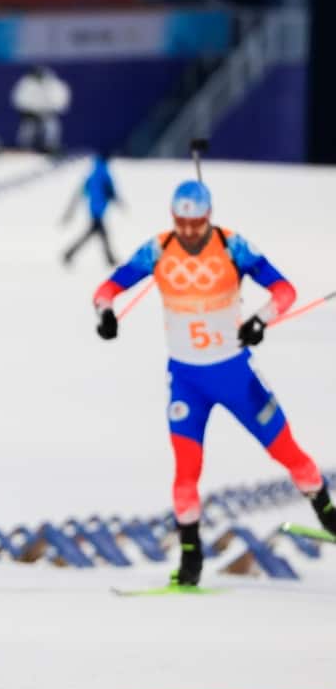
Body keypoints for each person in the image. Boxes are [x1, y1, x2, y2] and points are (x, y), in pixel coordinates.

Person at [92, 180, 336, 587]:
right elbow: (108, 288)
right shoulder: (159, 249)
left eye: (196, 222)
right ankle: (191, 560)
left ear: (208, 217)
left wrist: (261, 320)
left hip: (235, 376)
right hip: (187, 381)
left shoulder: (232, 245)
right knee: (186, 472)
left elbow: (284, 290)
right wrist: (105, 313)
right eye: (181, 222)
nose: (188, 231)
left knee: (287, 452)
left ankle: (328, 515)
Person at [61, 154, 120, 266]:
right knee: (98, 234)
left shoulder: (93, 173)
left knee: (97, 234)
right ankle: (69, 254)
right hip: (99, 208)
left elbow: (85, 190)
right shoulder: (104, 173)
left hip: (93, 207)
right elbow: (111, 191)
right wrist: (116, 201)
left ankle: (69, 254)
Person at [12, 65, 70, 154]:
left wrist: (52, 109)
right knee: (28, 128)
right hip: (31, 113)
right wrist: (28, 110)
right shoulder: (26, 83)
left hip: (48, 113)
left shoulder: (54, 84)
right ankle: (24, 148)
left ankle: (51, 147)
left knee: (51, 126)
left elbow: (60, 99)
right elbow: (19, 98)